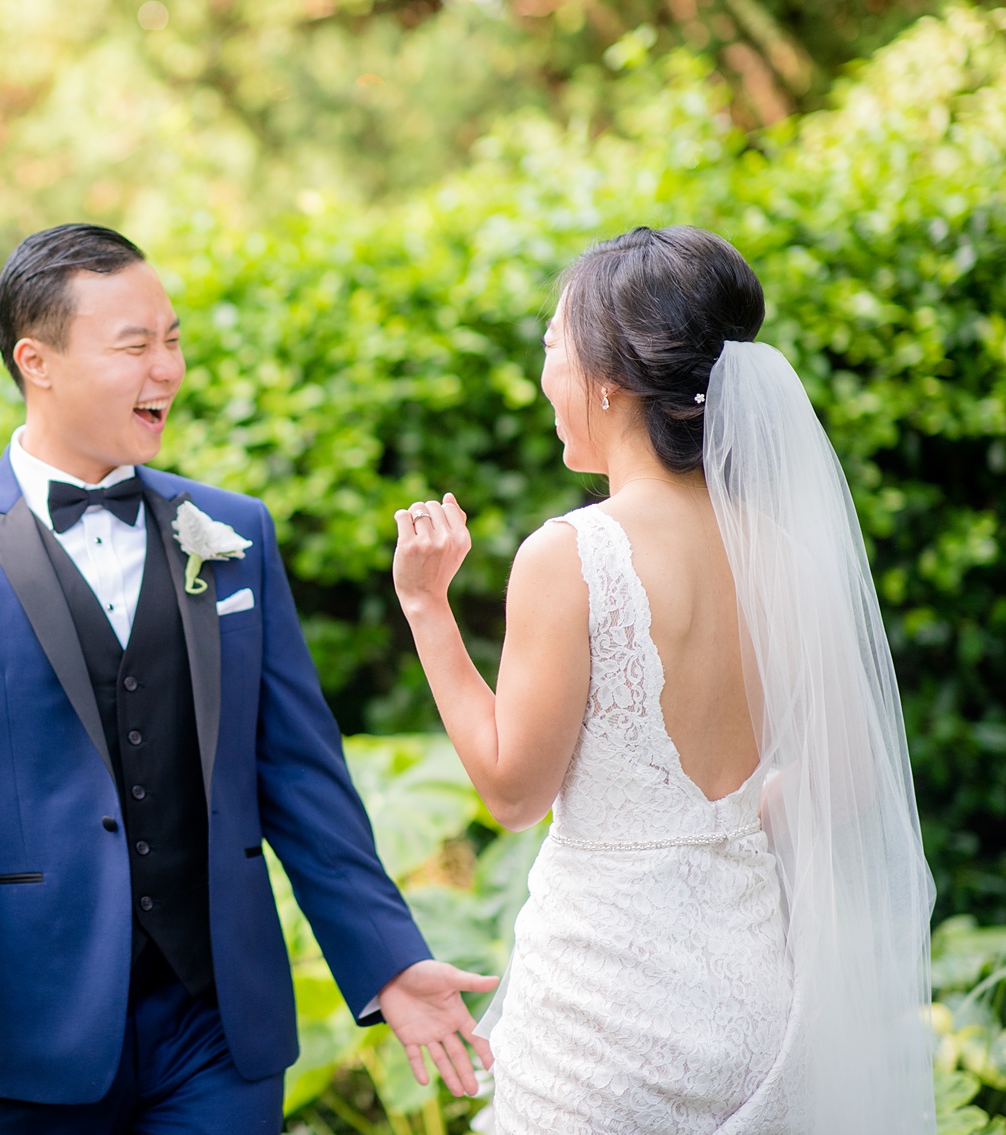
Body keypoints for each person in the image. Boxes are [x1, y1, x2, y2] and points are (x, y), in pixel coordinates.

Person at [0, 223, 497, 1133]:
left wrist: (385, 957)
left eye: (174, 339)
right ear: (39, 362)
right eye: (135, 345)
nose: (168, 369)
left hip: (217, 1021)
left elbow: (300, 773)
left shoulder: (234, 531)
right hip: (33, 1022)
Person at [391, 225, 936, 1133]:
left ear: (606, 377)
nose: (545, 377)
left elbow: (513, 792)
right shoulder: (787, 553)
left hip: (607, 1012)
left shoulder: (569, 554)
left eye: (552, 348)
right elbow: (846, 778)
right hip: (758, 994)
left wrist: (427, 609)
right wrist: (726, 824)